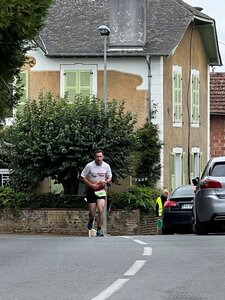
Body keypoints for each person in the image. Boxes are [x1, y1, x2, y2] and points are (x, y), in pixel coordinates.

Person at [80, 150, 112, 237]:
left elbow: (109, 178)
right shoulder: (89, 166)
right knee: (92, 212)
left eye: (100, 156)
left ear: (103, 157)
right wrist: (91, 185)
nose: (99, 158)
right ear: (95, 157)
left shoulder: (106, 166)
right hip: (91, 190)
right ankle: (91, 220)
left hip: (101, 190)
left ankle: (99, 230)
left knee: (101, 210)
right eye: (97, 157)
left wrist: (106, 181)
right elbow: (82, 177)